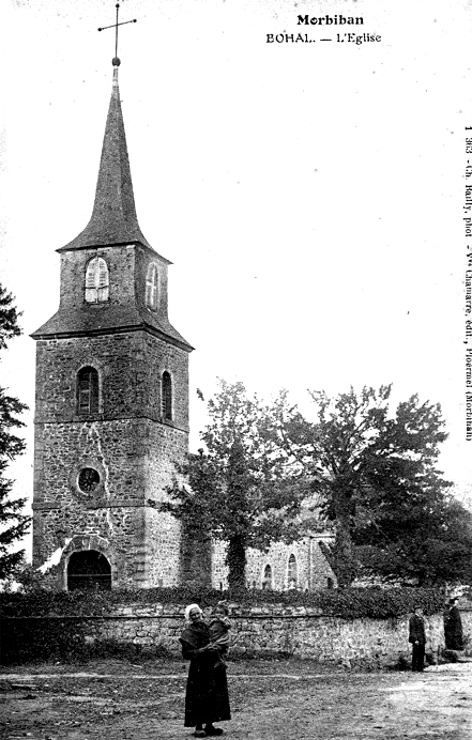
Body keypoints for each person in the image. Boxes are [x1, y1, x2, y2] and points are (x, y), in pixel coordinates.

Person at [180, 603, 231, 737]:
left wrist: (219, 648)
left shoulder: (208, 627)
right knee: (198, 697)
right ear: (189, 617)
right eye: (193, 615)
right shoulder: (188, 632)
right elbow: (186, 654)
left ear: (201, 613)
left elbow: (220, 640)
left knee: (212, 695)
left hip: (211, 666)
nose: (196, 616)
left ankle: (209, 725)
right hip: (198, 669)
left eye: (198, 613)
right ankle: (198, 726)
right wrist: (202, 650)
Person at [202, 602, 231, 668]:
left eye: (221, 613)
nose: (219, 615)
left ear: (225, 614)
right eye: (217, 613)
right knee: (212, 649)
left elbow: (228, 626)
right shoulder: (214, 620)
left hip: (222, 638)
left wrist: (222, 621)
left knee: (218, 649)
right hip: (215, 637)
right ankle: (217, 662)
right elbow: (209, 627)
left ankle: (221, 662)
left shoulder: (225, 619)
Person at [408, 605, 426, 672]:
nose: (422, 611)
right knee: (415, 654)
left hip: (422, 639)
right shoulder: (412, 618)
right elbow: (412, 630)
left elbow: (422, 630)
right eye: (420, 610)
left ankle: (420, 668)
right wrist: (415, 639)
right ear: (417, 610)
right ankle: (414, 668)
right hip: (417, 639)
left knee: (421, 653)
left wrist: (424, 639)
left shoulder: (421, 618)